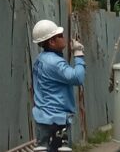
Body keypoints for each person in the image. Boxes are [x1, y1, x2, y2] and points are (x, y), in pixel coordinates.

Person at [31, 19, 85, 152]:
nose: (64, 38)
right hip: (57, 120)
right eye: (60, 36)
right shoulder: (54, 63)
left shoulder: (40, 59)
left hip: (43, 118)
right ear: (51, 42)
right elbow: (78, 78)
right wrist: (78, 54)